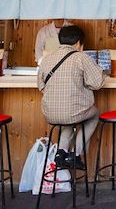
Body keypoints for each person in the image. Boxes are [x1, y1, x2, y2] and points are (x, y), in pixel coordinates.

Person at [37, 25, 105, 170]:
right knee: (94, 115)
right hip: (73, 112)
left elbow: (41, 86)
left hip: (50, 113)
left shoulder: (46, 59)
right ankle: (75, 154)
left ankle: (61, 153)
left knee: (67, 120)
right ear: (79, 43)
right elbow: (97, 83)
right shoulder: (81, 57)